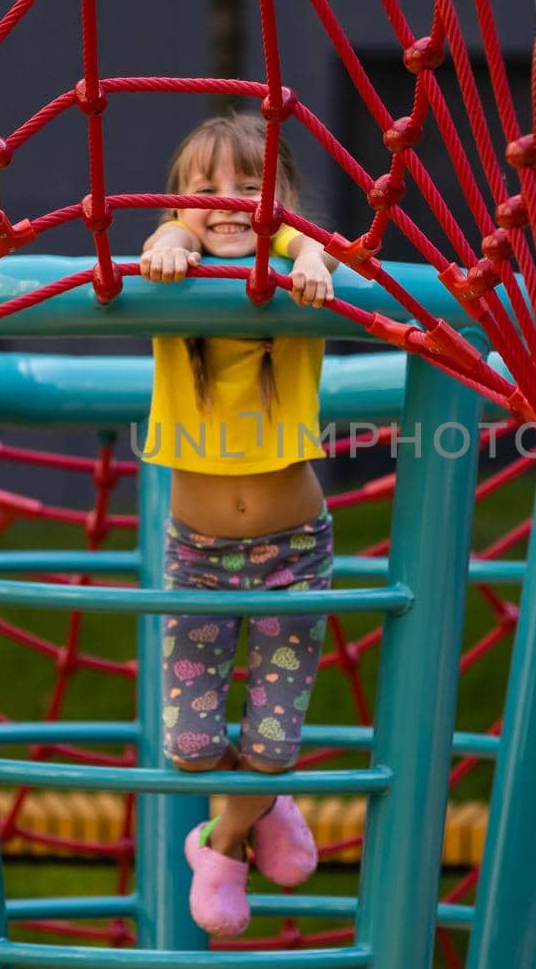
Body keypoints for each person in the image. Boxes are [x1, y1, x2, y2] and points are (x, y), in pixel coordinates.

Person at [138, 114, 339, 937]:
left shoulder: (300, 277)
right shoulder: (168, 276)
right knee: (188, 742)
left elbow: (316, 245)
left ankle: (222, 842)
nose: (227, 203)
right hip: (198, 553)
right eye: (205, 189)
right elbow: (160, 242)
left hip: (294, 548)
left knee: (273, 733)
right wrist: (169, 236)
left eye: (248, 188)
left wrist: (313, 252)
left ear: (282, 200)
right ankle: (264, 809)